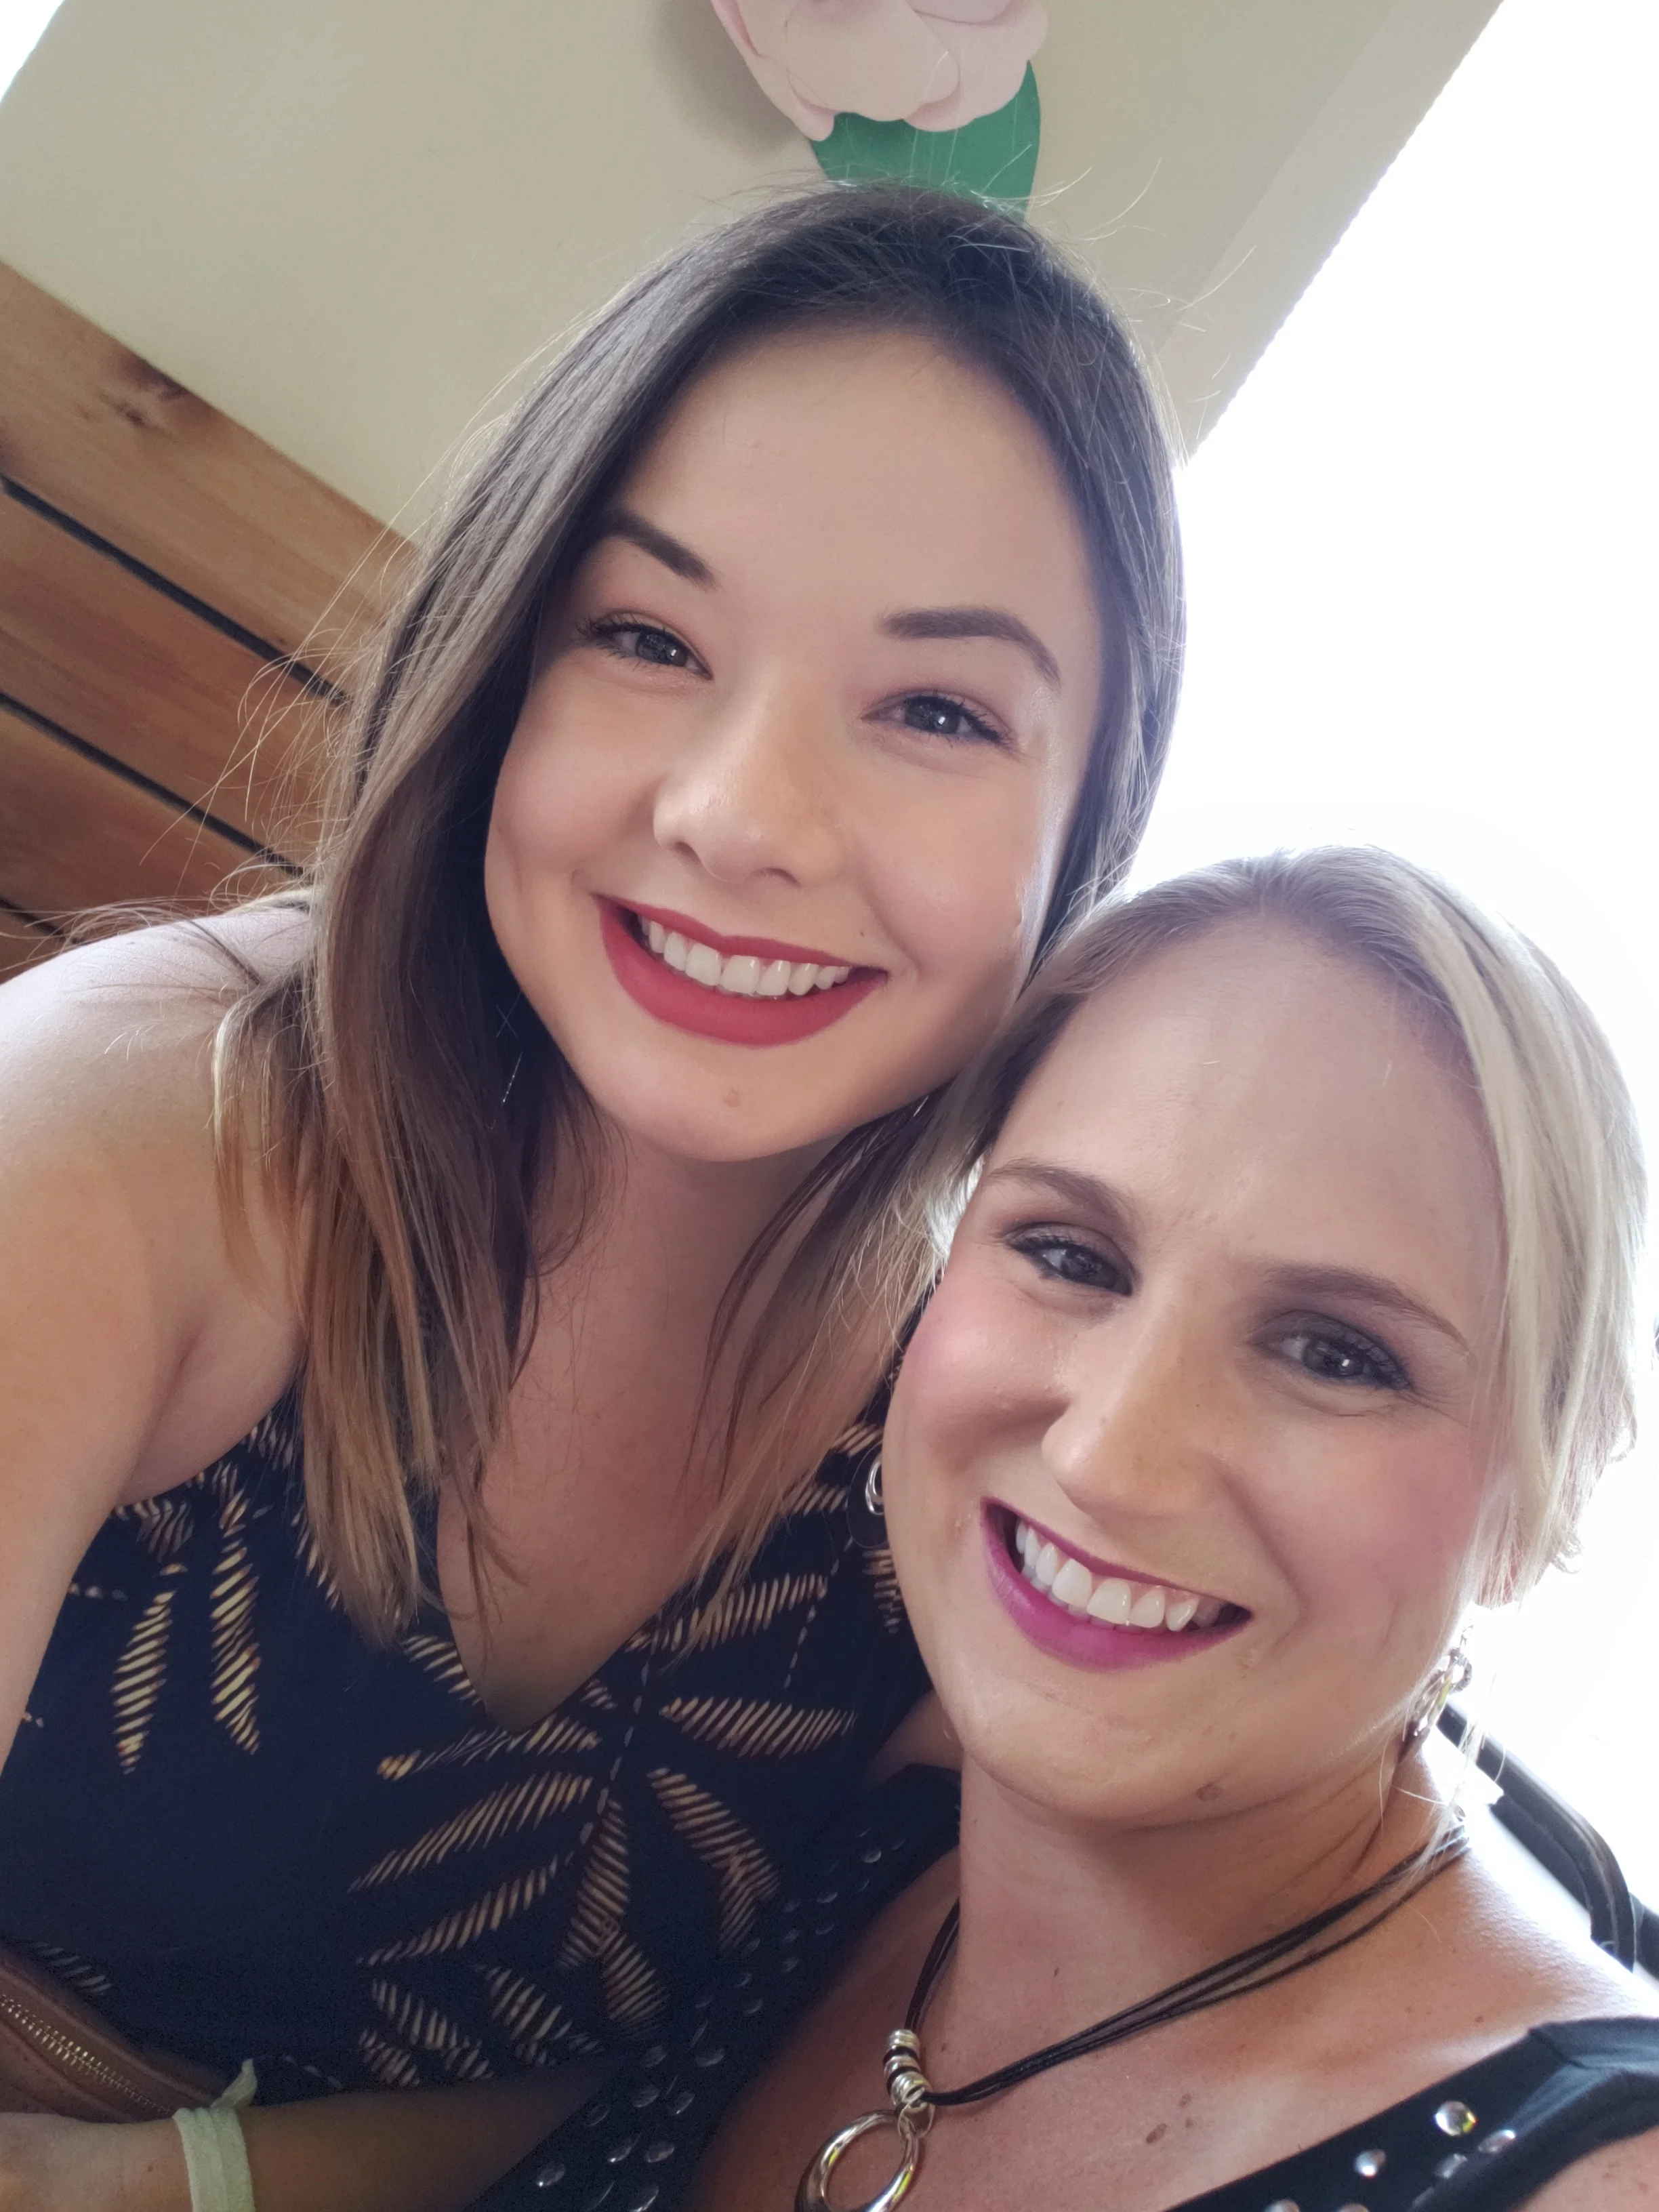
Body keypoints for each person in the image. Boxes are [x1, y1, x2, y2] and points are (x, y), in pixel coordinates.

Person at [0, 186, 1183, 2212]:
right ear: (502, 669)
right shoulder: (148, 1117)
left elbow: (784, 2071)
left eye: (936, 711)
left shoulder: (988, 1436)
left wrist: (163, 2187)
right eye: (647, 638)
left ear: (1092, 825)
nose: (741, 817)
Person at [498, 846, 1659, 2212]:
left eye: (1337, 1354)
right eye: (1067, 1254)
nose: (1110, 1457)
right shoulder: (857, 1831)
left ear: (1538, 1500)